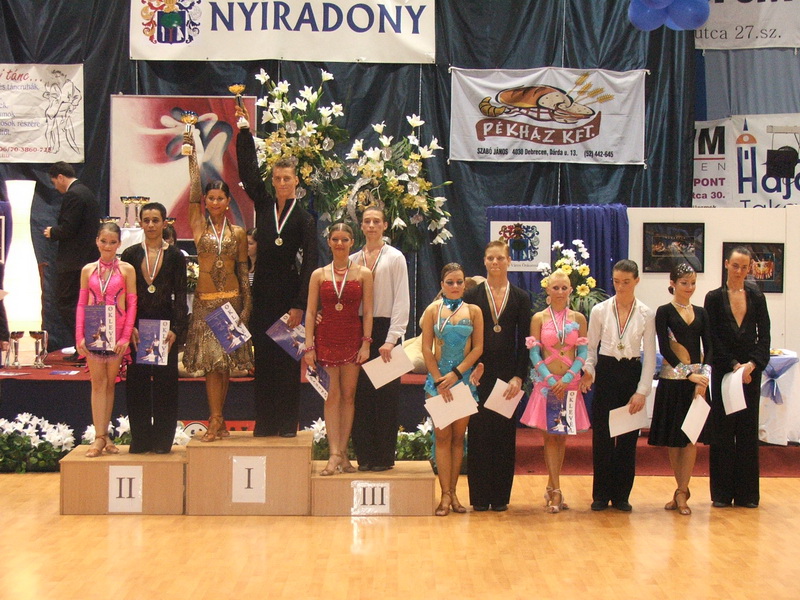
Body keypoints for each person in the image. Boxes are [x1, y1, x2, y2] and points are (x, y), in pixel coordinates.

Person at [236, 105, 318, 437]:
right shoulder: (264, 205)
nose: (282, 183)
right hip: (262, 292)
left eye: (287, 178)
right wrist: (244, 134)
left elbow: (310, 263)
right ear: (273, 181)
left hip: (287, 295)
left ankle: (286, 423)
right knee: (265, 360)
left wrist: (300, 305)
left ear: (296, 181)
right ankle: (265, 422)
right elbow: (248, 176)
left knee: (286, 360)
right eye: (277, 178)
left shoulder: (305, 218)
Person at [183, 132, 253, 442]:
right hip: (206, 302)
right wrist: (192, 158)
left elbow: (243, 269)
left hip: (231, 302)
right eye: (210, 198)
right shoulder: (198, 225)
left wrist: (247, 306)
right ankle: (214, 419)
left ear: (227, 202)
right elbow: (193, 196)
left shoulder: (238, 233)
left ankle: (219, 420)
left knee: (224, 365)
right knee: (212, 365)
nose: (214, 202)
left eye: (220, 198)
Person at [580, 259, 656, 512]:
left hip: (631, 372)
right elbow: (591, 348)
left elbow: (650, 356)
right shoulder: (600, 310)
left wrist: (642, 391)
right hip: (606, 372)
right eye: (616, 282)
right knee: (602, 436)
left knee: (627, 439)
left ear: (636, 281)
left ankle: (622, 495)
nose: (620, 287)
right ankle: (601, 494)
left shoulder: (646, 313)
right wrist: (589, 371)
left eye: (626, 282)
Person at [464, 240, 530, 512]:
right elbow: (466, 337)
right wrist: (470, 369)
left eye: (500, 258)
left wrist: (519, 377)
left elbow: (526, 341)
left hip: (507, 374)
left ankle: (500, 497)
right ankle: (480, 498)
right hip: (479, 372)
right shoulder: (472, 295)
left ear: (509, 261)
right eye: (490, 258)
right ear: (484, 260)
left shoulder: (521, 297)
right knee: (479, 433)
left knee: (503, 434)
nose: (495, 262)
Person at [304, 223, 373, 475]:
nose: (340, 244)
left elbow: (368, 311)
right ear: (329, 242)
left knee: (349, 395)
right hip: (326, 339)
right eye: (335, 239)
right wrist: (308, 345)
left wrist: (366, 342)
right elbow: (310, 311)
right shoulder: (318, 274)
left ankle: (343, 453)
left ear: (352, 242)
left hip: (352, 338)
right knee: (331, 396)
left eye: (344, 239)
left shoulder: (364, 273)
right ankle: (333, 453)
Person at [704, 246, 770, 508]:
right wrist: (733, 365)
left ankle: (747, 495)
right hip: (725, 372)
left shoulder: (757, 296)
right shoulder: (713, 298)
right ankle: (721, 494)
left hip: (750, 374)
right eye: (735, 266)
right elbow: (712, 338)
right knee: (722, 431)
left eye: (744, 267)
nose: (739, 271)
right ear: (726, 264)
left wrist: (752, 365)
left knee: (747, 432)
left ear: (750, 268)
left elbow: (764, 336)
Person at [520, 269, 591, 513]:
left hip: (569, 384)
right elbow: (534, 353)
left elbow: (583, 352)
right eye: (555, 287)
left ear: (571, 289)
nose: (560, 292)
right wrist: (550, 379)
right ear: (548, 289)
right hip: (547, 384)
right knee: (550, 437)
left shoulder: (578, 318)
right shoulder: (539, 318)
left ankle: (552, 487)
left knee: (561, 437)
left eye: (564, 287)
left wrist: (569, 377)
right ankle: (557, 490)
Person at [121, 202, 188, 454]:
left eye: (155, 220)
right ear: (140, 222)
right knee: (136, 384)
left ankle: (162, 440)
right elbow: (124, 295)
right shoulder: (130, 255)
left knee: (165, 385)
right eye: (146, 220)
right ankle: (140, 439)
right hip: (137, 328)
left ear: (164, 223)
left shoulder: (175, 256)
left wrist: (177, 329)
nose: (150, 225)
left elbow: (180, 295)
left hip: (165, 328)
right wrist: (128, 327)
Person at [648, 263, 712, 516]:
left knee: (690, 438)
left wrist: (703, 378)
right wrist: (688, 374)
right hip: (673, 381)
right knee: (674, 441)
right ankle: (679, 488)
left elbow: (709, 347)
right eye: (684, 283)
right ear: (673, 283)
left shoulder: (702, 313)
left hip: (697, 383)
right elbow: (664, 347)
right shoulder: (664, 311)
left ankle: (682, 491)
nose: (689, 287)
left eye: (693, 283)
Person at [421, 263, 484, 516]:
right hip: (438, 383)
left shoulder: (474, 311)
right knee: (442, 438)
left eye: (459, 282)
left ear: (464, 284)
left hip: (463, 381)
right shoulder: (432, 310)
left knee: (459, 439)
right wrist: (438, 379)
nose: (455, 286)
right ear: (442, 285)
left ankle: (454, 493)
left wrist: (457, 374)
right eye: (450, 282)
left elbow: (478, 348)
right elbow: (426, 349)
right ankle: (444, 494)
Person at [350, 206, 410, 472]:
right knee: (361, 396)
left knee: (385, 397)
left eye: (376, 221)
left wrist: (392, 338)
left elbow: (402, 299)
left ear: (385, 226)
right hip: (358, 330)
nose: (372, 225)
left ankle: (383, 457)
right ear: (361, 226)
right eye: (367, 221)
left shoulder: (395, 257)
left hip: (386, 331)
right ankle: (364, 456)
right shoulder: (353, 259)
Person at [75, 223, 137, 457]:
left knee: (110, 384)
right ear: (97, 241)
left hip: (117, 332)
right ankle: (99, 437)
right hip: (93, 330)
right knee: (97, 384)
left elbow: (132, 305)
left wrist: (125, 336)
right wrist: (79, 335)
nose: (108, 246)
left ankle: (105, 436)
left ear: (119, 243)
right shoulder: (87, 270)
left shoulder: (127, 270)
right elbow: (81, 304)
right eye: (104, 241)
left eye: (112, 242)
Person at [44, 161, 101, 361]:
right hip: (86, 259)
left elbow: (69, 228)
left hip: (74, 261)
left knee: (67, 303)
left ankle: (83, 346)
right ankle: (85, 347)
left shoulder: (73, 195)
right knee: (81, 304)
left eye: (54, 182)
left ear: (60, 177)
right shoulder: (86, 192)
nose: (56, 187)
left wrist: (52, 232)